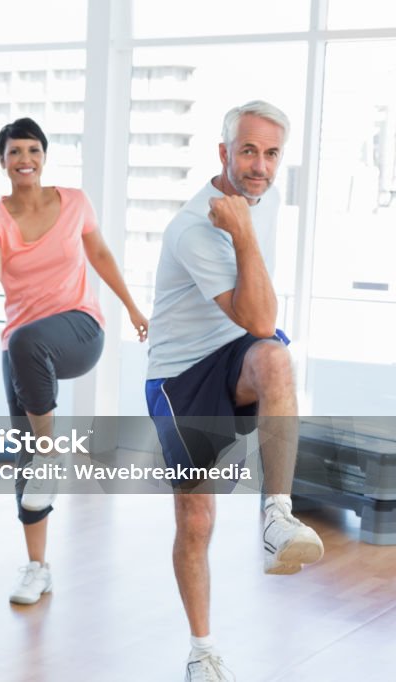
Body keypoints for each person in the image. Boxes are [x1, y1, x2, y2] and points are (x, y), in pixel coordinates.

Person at [144, 101, 324, 682]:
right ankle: (202, 651)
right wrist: (243, 235)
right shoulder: (197, 225)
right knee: (196, 519)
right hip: (180, 377)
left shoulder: (255, 204)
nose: (260, 165)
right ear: (222, 152)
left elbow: (262, 333)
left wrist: (248, 229)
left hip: (234, 356)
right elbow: (261, 317)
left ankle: (276, 518)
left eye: (271, 154)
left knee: (276, 361)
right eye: (248, 150)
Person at [0, 117, 148, 606]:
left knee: (26, 346)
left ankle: (51, 452)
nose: (25, 159)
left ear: (44, 157)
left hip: (80, 329)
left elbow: (101, 253)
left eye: (33, 150)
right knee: (24, 462)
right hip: (22, 348)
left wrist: (130, 306)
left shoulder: (74, 202)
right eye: (15, 152)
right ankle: (37, 567)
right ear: (2, 161)